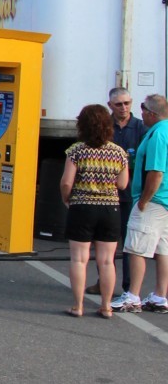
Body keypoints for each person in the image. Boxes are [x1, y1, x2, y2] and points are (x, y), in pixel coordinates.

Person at [60, 104, 129, 318]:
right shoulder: (119, 153)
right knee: (107, 261)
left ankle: (78, 306)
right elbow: (123, 184)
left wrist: (66, 199)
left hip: (82, 207)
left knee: (79, 259)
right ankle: (106, 306)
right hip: (110, 209)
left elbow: (66, 182)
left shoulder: (76, 151)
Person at [87, 86, 146, 296]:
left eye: (127, 103)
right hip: (104, 193)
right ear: (110, 105)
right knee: (103, 242)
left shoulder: (140, 127)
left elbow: (145, 160)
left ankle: (129, 287)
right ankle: (103, 282)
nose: (123, 108)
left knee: (129, 243)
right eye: (119, 104)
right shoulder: (103, 126)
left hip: (130, 194)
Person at [111, 94, 168, 313]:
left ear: (152, 113)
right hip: (165, 201)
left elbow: (156, 171)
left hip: (153, 200)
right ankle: (160, 296)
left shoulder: (157, 135)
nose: (140, 113)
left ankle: (132, 295)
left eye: (143, 109)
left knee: (135, 248)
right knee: (163, 250)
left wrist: (143, 200)